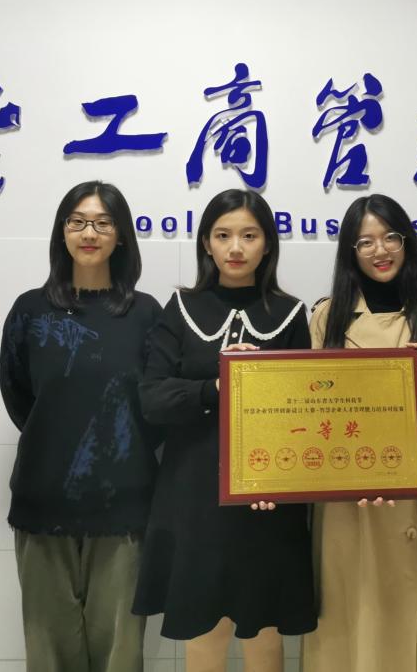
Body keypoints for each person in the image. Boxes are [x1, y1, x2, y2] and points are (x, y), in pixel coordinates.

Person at [302, 193, 417, 672]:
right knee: (355, 614)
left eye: (390, 237)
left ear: (407, 242)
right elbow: (306, 402)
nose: (380, 250)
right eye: (365, 242)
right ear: (351, 252)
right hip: (349, 489)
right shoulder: (327, 317)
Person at [132, 189, 317, 672]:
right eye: (223, 235)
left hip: (268, 498)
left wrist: (278, 480)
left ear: (268, 244)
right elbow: (153, 399)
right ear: (206, 243)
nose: (236, 247)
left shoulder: (291, 313)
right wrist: (218, 385)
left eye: (249, 236)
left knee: (264, 632)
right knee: (204, 631)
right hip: (194, 492)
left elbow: (303, 412)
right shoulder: (180, 307)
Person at [0, 180, 163, 672]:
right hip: (43, 500)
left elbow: (156, 406)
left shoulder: (145, 313)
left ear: (121, 235)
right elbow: (19, 396)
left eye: (102, 223)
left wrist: (121, 449)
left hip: (124, 505)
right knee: (48, 651)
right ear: (62, 232)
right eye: (77, 222)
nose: (89, 233)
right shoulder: (30, 311)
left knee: (120, 652)